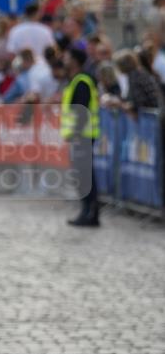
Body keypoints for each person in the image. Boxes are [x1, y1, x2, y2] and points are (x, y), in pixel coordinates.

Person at [60, 47, 100, 227]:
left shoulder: (82, 81)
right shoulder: (75, 80)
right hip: (80, 135)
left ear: (75, 60)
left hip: (82, 135)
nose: (64, 58)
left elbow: (81, 111)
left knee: (85, 176)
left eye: (67, 56)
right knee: (82, 175)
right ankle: (87, 211)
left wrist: (75, 133)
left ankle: (89, 212)